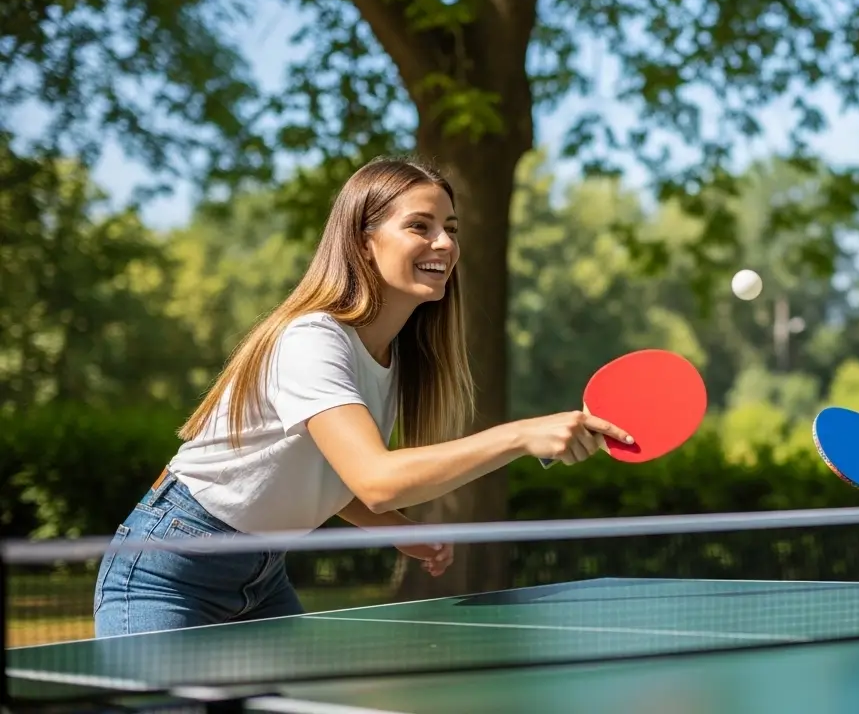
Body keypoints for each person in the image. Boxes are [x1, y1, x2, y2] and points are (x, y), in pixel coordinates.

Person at [92, 156, 632, 637]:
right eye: (419, 226)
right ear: (362, 242)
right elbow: (375, 480)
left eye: (449, 228)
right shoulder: (313, 340)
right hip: (169, 572)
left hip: (263, 574)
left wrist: (398, 531)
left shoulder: (394, 354)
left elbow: (329, 471)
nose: (443, 243)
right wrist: (519, 435)